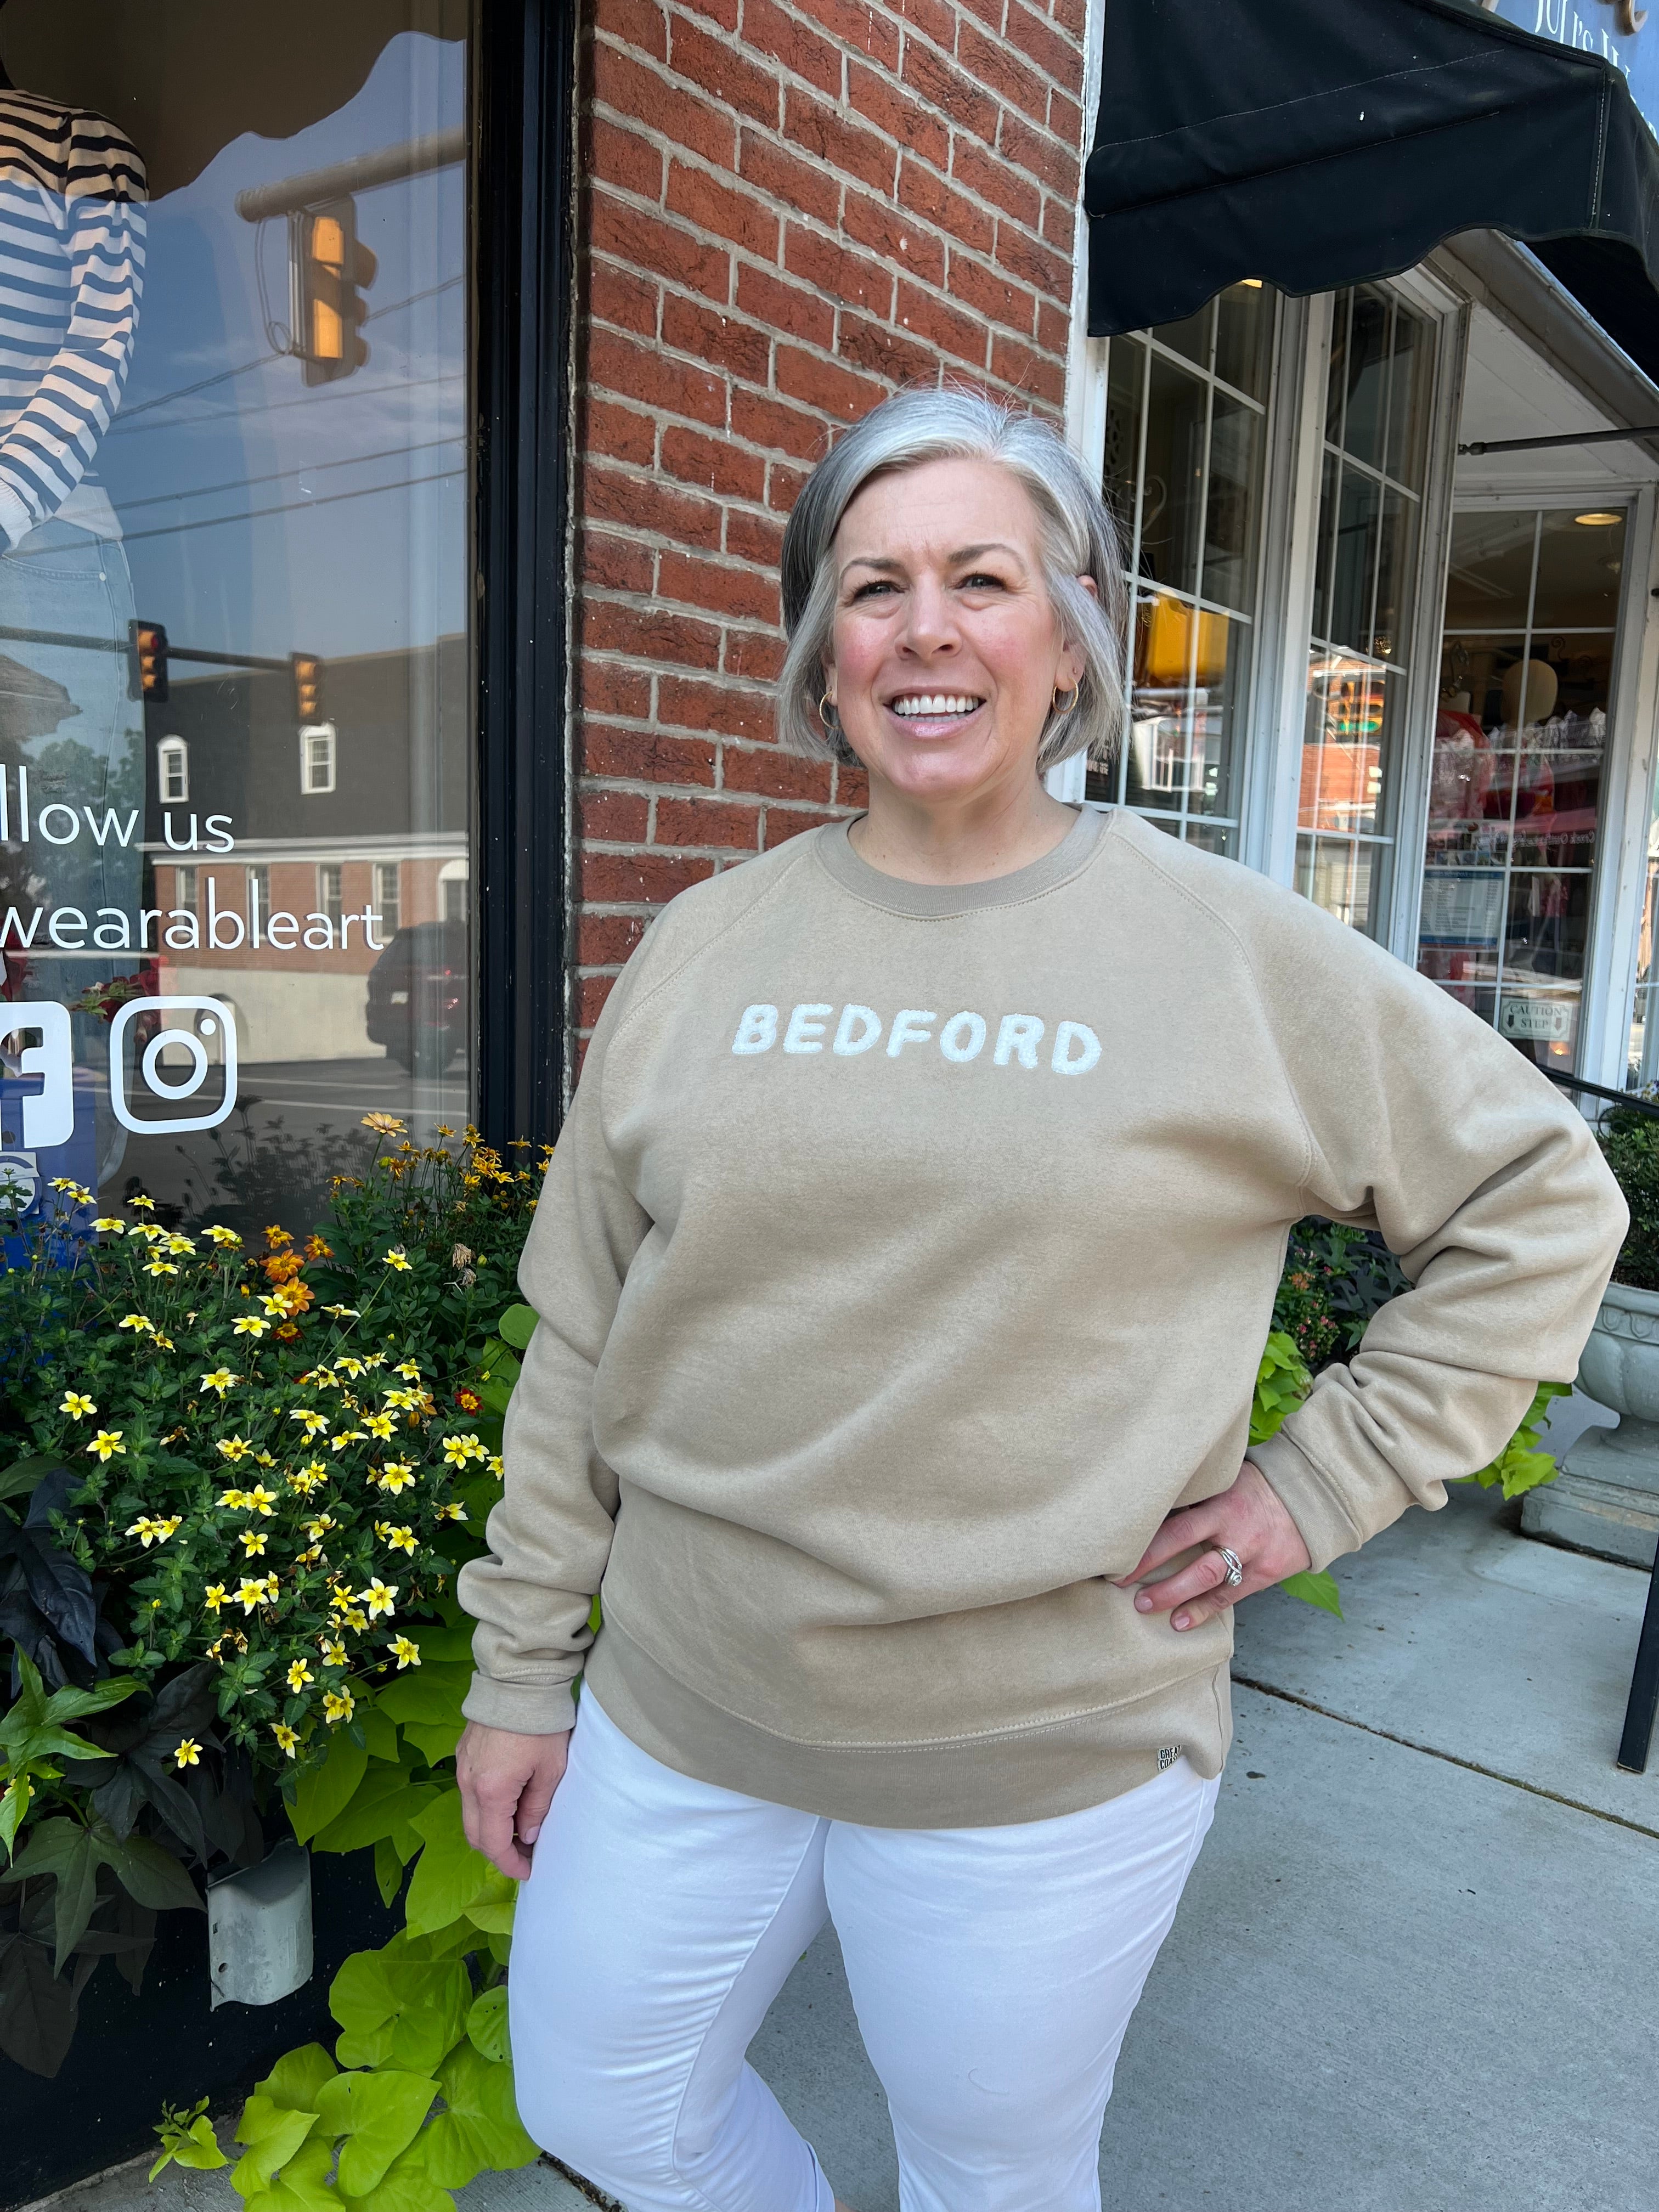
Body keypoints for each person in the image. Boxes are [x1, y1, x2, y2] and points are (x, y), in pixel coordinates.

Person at [455, 387, 1626, 2211]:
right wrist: (523, 1671)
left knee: (991, 2178)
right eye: (874, 586)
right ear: (823, 648)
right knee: (603, 2104)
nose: (925, 630)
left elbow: (1540, 1198)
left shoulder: (1226, 951)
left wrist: (1316, 1487)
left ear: (1073, 639)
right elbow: (586, 1337)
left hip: (1040, 1751)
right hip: (682, 1706)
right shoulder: (703, 945)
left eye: (983, 580)